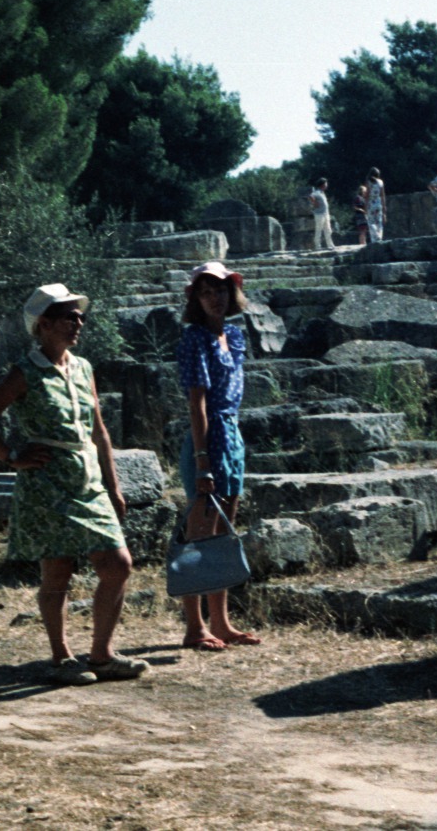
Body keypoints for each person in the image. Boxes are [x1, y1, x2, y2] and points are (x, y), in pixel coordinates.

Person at [0, 284, 148, 685]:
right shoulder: (25, 371)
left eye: (79, 316)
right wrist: (10, 456)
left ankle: (101, 654)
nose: (77, 323)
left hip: (88, 480)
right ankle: (62, 657)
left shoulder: (82, 368)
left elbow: (99, 430)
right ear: (43, 325)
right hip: (46, 483)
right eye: (68, 316)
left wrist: (113, 485)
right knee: (58, 572)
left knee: (118, 565)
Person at [176, 261, 262, 652]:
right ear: (197, 298)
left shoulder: (235, 335)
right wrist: (202, 459)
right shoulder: (194, 339)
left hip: (231, 434)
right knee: (200, 532)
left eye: (222, 289)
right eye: (207, 291)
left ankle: (222, 623)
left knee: (223, 530)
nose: (216, 297)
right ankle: (195, 626)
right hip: (207, 437)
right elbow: (197, 405)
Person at [310, 177, 334, 250]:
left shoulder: (322, 193)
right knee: (319, 229)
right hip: (319, 214)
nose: (327, 185)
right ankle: (318, 246)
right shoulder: (317, 192)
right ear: (322, 184)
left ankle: (330, 245)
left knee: (328, 229)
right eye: (326, 183)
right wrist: (314, 203)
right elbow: (311, 196)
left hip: (325, 213)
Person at [365, 168, 386, 242]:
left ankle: (375, 237)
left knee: (371, 222)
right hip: (378, 203)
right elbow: (382, 195)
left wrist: (365, 206)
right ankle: (379, 236)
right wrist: (384, 207)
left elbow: (367, 195)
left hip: (371, 204)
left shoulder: (369, 182)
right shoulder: (381, 182)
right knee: (379, 222)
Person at [352, 182, 369, 246]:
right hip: (360, 216)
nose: (365, 192)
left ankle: (364, 242)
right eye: (364, 191)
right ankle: (362, 243)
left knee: (364, 230)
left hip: (363, 216)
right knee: (362, 230)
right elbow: (355, 207)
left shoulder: (363, 199)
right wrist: (362, 210)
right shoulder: (358, 198)